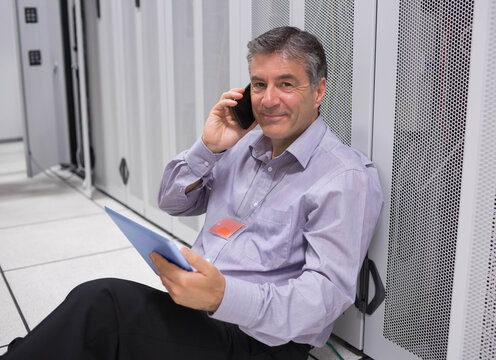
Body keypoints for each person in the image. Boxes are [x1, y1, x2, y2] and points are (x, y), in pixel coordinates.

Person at [1, 26, 382, 360]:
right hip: (198, 314)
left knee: (101, 307)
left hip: (260, 342)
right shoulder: (241, 147)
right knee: (81, 333)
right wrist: (209, 146)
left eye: (286, 84)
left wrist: (222, 297)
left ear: (318, 91)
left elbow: (324, 298)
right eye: (259, 84)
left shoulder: (342, 176)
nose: (267, 99)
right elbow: (171, 202)